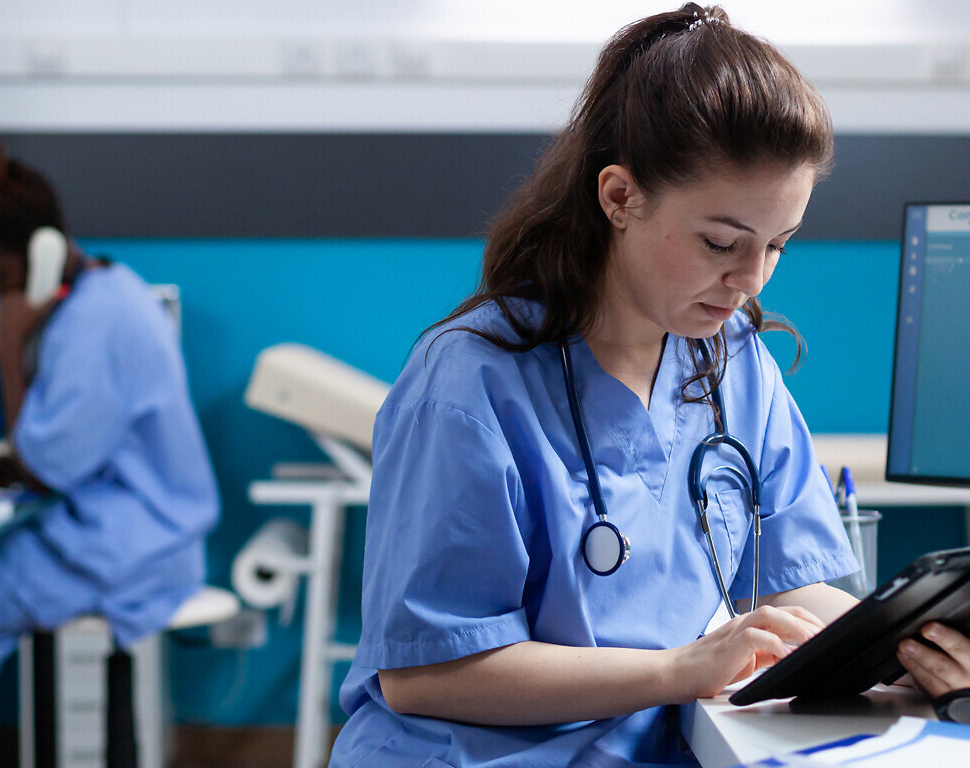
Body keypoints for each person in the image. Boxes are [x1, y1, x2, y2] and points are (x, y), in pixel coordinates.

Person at [329, 5, 970, 767]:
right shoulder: (468, 384)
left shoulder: (732, 362)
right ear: (620, 197)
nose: (750, 279)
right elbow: (423, 674)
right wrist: (677, 670)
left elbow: (787, 593)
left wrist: (916, 644)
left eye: (777, 245)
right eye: (721, 242)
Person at [0, 135, 220, 694]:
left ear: (42, 252)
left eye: (0, 275)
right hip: (128, 531)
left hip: (139, 546)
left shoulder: (95, 323)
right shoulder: (104, 293)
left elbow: (46, 469)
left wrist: (9, 348)